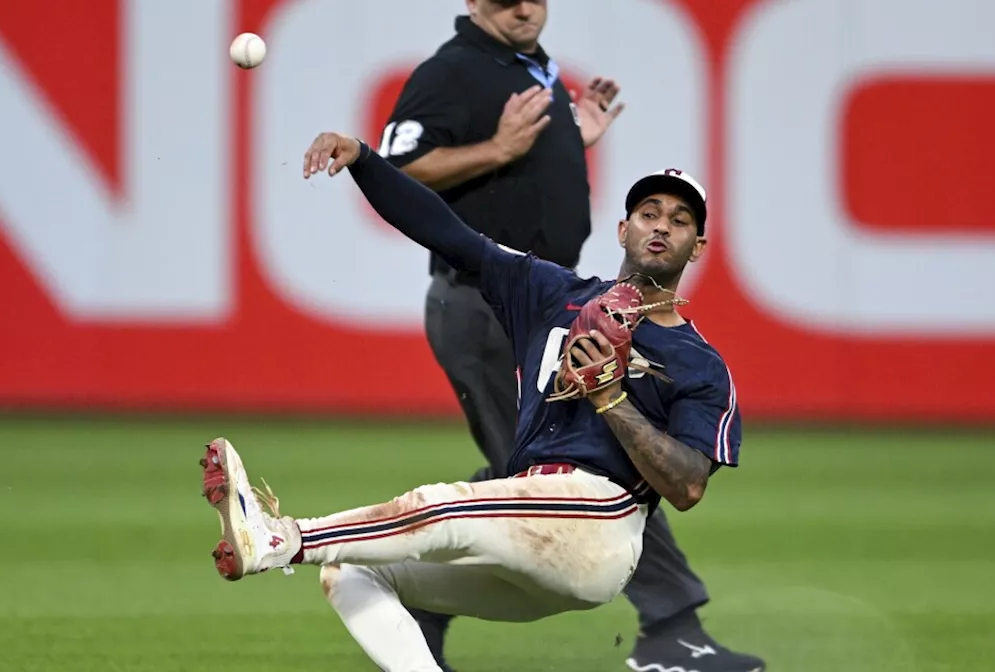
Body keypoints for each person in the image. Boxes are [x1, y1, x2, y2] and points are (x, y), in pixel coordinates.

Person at [196, 131, 746, 672]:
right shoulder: (552, 292)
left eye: (680, 221)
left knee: (439, 504)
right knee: (353, 571)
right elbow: (450, 235)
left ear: (696, 246)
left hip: (600, 519)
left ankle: (279, 537)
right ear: (624, 228)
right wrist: (365, 161)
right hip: (530, 519)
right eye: (650, 213)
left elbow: (688, 485)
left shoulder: (700, 363)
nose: (662, 227)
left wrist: (610, 400)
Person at [378, 2, 765, 670]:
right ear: (472, 2)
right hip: (492, 306)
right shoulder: (454, 72)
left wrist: (567, 137)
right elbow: (397, 171)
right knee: (592, 467)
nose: (524, 6)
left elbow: (513, 177)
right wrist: (499, 148)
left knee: (535, 466)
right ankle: (671, 633)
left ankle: (423, 602)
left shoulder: (527, 66)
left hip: (539, 307)